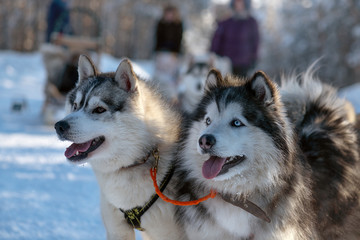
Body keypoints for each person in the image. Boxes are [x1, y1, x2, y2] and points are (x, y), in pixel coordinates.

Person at [210, 0, 259, 77]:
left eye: (241, 2)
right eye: (237, 2)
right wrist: (214, 54)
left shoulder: (251, 22)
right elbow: (217, 39)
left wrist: (254, 58)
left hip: (244, 64)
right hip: (226, 63)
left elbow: (255, 42)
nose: (239, 5)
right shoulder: (226, 22)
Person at [153, 4, 183, 100]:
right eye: (167, 14)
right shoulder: (161, 24)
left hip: (173, 54)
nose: (169, 16)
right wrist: (157, 52)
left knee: (171, 77)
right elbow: (157, 38)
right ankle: (159, 95)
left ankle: (172, 97)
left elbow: (179, 39)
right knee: (160, 76)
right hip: (161, 53)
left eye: (171, 14)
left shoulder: (178, 25)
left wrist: (176, 53)